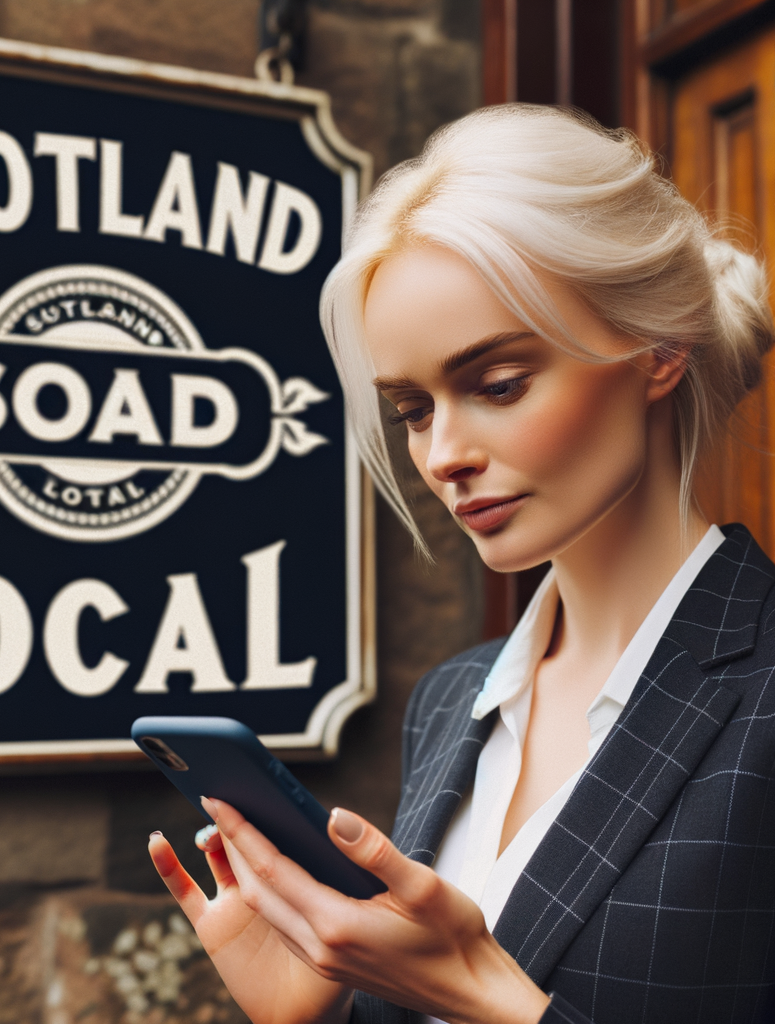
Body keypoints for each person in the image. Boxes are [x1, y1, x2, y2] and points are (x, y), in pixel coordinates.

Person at [147, 104, 775, 1024]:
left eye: (498, 384)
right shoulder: (454, 698)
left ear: (661, 347)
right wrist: (324, 1014)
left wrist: (493, 1001)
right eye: (411, 409)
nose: (444, 454)